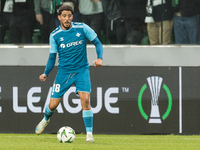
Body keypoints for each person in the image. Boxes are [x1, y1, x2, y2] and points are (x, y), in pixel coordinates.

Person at [35, 5, 103, 143]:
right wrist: (45, 73)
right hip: (64, 73)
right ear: (59, 17)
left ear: (72, 16)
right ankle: (46, 119)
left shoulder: (82, 28)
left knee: (85, 100)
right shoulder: (55, 35)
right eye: (64, 16)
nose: (67, 19)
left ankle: (89, 135)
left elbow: (97, 42)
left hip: (81, 71)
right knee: (53, 105)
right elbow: (52, 58)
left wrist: (100, 57)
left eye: (69, 16)